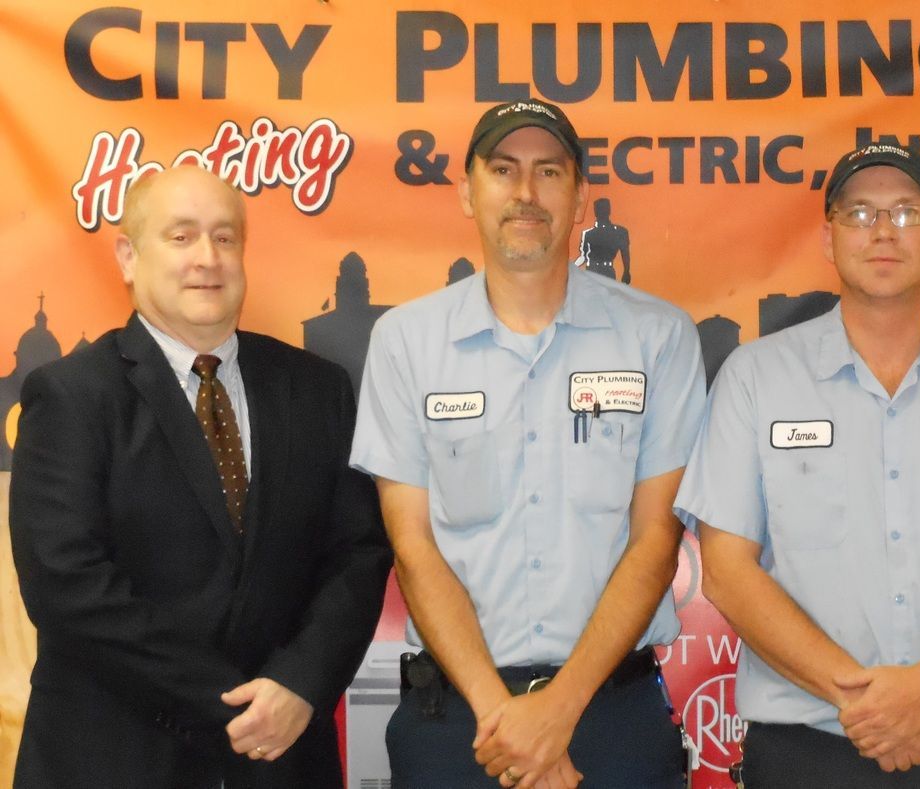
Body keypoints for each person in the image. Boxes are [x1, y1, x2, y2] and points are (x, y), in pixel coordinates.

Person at [674, 143, 920, 788]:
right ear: (828, 238)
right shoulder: (757, 377)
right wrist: (863, 702)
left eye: (906, 213)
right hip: (803, 750)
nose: (883, 231)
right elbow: (726, 569)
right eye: (860, 213)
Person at [351, 98, 706, 788]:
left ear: (579, 200)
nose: (525, 193)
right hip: (458, 719)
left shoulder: (659, 337)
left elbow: (655, 543)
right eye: (503, 170)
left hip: (611, 713)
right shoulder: (406, 342)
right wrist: (504, 718)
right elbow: (414, 548)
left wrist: (555, 712)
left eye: (549, 172)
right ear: (466, 191)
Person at [9, 166, 392, 788]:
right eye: (181, 237)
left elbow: (357, 555)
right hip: (114, 760)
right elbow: (66, 583)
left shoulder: (316, 389)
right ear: (129, 257)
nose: (207, 259)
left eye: (224, 237)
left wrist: (299, 684)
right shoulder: (69, 394)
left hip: (283, 759)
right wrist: (233, 703)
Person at [579, 197, 631, 283]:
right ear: (595, 212)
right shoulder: (588, 233)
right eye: (600, 209)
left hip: (607, 271)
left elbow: (625, 253)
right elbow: (583, 256)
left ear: (609, 210)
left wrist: (626, 271)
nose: (602, 212)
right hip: (592, 271)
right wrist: (571, 268)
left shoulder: (619, 232)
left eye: (604, 209)